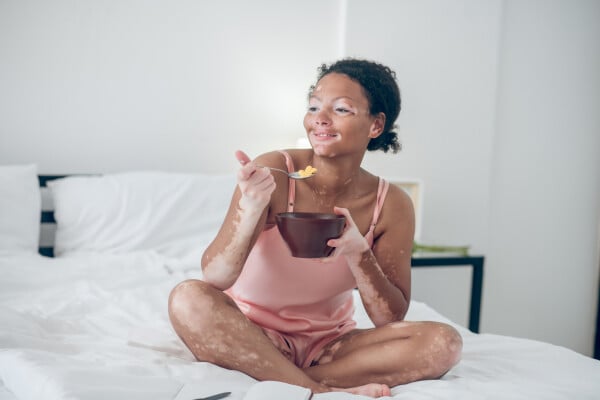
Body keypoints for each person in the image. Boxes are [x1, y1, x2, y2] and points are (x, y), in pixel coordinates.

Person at [168, 58, 462, 398]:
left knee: (444, 343)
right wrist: (250, 210)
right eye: (313, 106)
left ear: (376, 125)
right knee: (188, 298)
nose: (319, 119)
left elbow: (389, 317)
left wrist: (358, 252)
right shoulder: (273, 171)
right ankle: (314, 390)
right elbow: (216, 279)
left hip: (331, 346)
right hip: (251, 333)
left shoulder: (392, 204)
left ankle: (285, 377)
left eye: (340, 109)